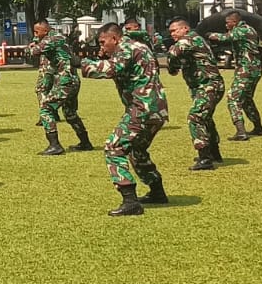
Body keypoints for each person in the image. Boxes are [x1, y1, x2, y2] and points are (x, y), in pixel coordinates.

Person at [80, 22, 169, 215]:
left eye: (104, 42)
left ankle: (130, 201)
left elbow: (109, 69)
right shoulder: (138, 47)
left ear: (115, 38)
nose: (102, 47)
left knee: (114, 147)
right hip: (156, 109)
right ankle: (157, 191)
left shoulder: (126, 48)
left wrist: (82, 63)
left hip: (141, 109)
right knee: (137, 150)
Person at [166, 16, 225, 170]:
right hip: (203, 86)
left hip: (209, 86)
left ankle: (205, 158)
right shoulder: (192, 41)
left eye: (174, 30)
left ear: (185, 28)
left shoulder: (189, 39)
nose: (172, 34)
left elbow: (173, 54)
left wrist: (172, 68)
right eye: (170, 32)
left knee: (195, 117)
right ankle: (214, 153)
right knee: (205, 118)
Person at [29, 19, 95, 155]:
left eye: (37, 31)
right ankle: (85, 142)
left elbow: (34, 52)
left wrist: (32, 45)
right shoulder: (59, 37)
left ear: (45, 30)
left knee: (46, 107)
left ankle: (55, 145)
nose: (35, 34)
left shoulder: (50, 39)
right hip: (72, 79)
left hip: (65, 80)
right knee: (70, 113)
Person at [207, 11, 262, 141]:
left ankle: (241, 131)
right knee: (246, 100)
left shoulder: (242, 30)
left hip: (247, 69)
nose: (226, 25)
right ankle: (258, 128)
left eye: (228, 23)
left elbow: (225, 38)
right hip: (253, 69)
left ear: (235, 22)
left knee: (233, 98)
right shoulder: (248, 29)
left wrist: (210, 35)